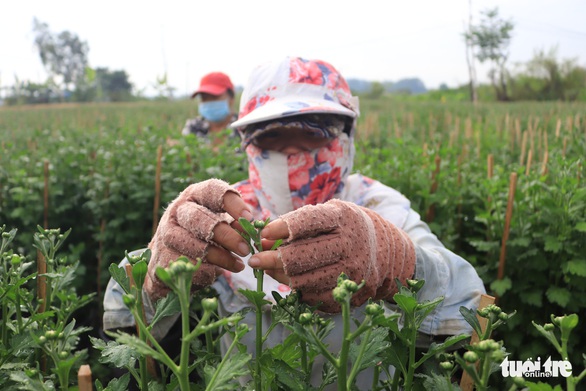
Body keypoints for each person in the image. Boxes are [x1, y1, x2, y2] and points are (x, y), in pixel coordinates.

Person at [104, 56, 485, 389]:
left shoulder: (381, 209)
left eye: (310, 135)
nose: (289, 153)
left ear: (346, 137)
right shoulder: (220, 216)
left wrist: (397, 260)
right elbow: (123, 314)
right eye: (271, 138)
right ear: (247, 144)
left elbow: (471, 304)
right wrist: (155, 267)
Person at [181, 71, 239, 146]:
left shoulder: (243, 128)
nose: (209, 102)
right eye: (204, 98)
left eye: (214, 97)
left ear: (231, 98)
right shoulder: (194, 127)